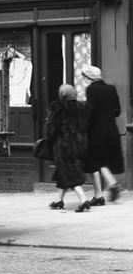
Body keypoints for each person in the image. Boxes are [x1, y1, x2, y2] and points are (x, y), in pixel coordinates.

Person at [44, 84, 91, 212]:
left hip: (64, 146)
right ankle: (59, 200)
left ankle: (83, 200)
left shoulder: (58, 108)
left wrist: (49, 139)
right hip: (80, 145)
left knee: (70, 174)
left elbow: (52, 128)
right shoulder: (82, 107)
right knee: (63, 172)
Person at [82, 66, 125, 205]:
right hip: (111, 129)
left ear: (89, 76)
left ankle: (102, 192)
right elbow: (117, 111)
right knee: (104, 161)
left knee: (95, 161)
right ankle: (110, 185)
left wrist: (84, 127)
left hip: (96, 131)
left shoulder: (91, 90)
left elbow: (90, 111)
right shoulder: (111, 88)